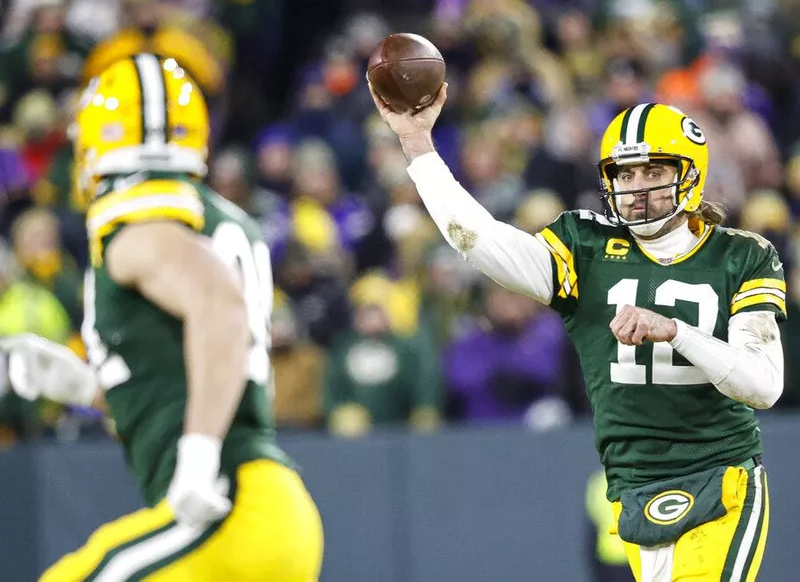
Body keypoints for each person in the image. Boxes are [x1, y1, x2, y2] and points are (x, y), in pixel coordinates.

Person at [370, 84, 784, 581]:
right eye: (625, 173)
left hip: (722, 474)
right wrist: (417, 144)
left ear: (689, 174)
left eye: (654, 171)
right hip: (632, 483)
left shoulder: (742, 255)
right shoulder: (586, 247)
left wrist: (675, 331)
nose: (638, 187)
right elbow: (477, 239)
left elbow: (763, 386)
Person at [1, 53, 324, 581]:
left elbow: (218, 308)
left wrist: (198, 456)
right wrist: (86, 387)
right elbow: (193, 371)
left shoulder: (141, 220)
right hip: (266, 514)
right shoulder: (212, 218)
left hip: (226, 506)